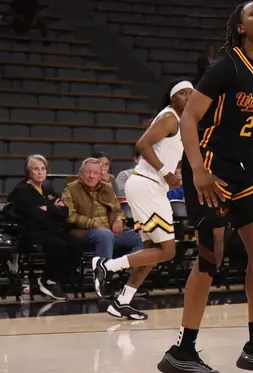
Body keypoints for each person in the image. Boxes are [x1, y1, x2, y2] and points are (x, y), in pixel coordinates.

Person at [157, 1, 253, 373]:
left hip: (247, 172)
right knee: (210, 257)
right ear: (241, 28)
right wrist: (197, 169)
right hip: (212, 170)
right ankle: (181, 351)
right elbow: (189, 118)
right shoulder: (226, 66)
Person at [93, 81, 193, 321]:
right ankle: (107, 266)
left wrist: (174, 172)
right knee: (168, 251)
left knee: (153, 251)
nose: (188, 96)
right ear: (172, 98)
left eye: (191, 92)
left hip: (153, 186)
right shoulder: (169, 117)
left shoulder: (181, 123)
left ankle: (122, 301)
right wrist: (165, 173)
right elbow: (142, 145)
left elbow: (169, 155)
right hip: (147, 184)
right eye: (182, 93)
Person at [7, 155, 86, 301]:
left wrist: (48, 209)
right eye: (36, 169)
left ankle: (54, 279)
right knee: (59, 245)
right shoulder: (22, 190)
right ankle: (47, 280)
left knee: (78, 245)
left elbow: (64, 211)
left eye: (43, 169)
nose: (40, 172)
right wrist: (53, 209)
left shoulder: (47, 188)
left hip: (53, 229)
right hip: (31, 232)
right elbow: (36, 215)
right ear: (28, 172)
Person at [63, 158, 143, 261]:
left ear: (100, 176)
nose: (91, 176)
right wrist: (93, 223)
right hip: (84, 231)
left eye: (95, 173)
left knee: (143, 236)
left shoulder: (107, 188)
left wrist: (119, 219)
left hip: (110, 231)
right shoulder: (70, 189)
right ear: (81, 173)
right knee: (105, 235)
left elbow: (117, 209)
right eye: (88, 172)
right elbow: (69, 216)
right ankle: (104, 273)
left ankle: (122, 267)